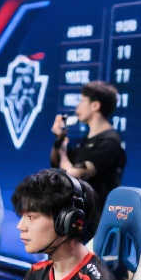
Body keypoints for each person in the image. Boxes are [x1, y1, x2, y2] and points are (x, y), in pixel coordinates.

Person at [50, 81, 126, 209]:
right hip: (78, 213)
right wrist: (59, 139)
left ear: (95, 105)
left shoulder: (110, 142)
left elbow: (74, 174)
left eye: (82, 101)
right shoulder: (85, 140)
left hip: (96, 216)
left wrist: (63, 153)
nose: (77, 107)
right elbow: (56, 163)